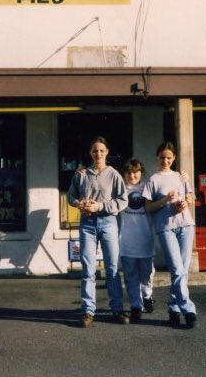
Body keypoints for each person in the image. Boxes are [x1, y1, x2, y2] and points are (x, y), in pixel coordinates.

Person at [67, 136, 129, 328]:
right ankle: (88, 311)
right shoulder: (82, 174)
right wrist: (79, 203)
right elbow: (71, 195)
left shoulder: (114, 174)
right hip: (87, 224)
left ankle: (117, 309)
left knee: (111, 268)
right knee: (88, 268)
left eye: (101, 150)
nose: (98, 154)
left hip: (108, 222)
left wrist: (100, 206)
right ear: (90, 153)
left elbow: (123, 200)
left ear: (107, 152)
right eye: (95, 151)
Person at [143, 141, 198, 329]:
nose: (165, 161)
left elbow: (191, 197)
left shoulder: (181, 177)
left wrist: (185, 203)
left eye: (169, 158)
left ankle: (174, 309)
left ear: (174, 158)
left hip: (186, 225)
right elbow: (148, 207)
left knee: (182, 270)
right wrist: (165, 200)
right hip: (166, 227)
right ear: (157, 158)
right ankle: (188, 308)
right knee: (176, 269)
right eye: (162, 157)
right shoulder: (153, 180)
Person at [118, 158, 156, 323]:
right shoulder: (119, 189)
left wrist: (183, 179)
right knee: (131, 275)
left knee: (146, 274)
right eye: (129, 172)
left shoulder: (148, 186)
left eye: (135, 172)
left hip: (145, 238)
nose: (132, 175)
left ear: (141, 172)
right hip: (126, 240)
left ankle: (147, 296)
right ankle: (135, 305)